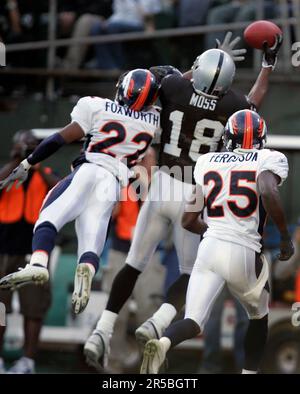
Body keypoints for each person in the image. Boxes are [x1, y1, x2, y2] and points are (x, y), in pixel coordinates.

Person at [82, 32, 282, 370]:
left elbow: (146, 84)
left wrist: (194, 69)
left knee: (134, 264)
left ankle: (102, 329)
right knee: (191, 273)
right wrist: (267, 64)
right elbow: (253, 105)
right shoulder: (232, 106)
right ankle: (158, 322)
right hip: (194, 192)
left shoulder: (174, 87)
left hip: (161, 184)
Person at [140, 109, 294, 374]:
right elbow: (268, 190)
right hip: (244, 249)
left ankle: (164, 342)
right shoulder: (269, 158)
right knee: (258, 317)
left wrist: (213, 232)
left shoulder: (208, 161)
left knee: (195, 320)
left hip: (209, 247)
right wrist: (284, 237)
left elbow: (189, 220)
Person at [0, 69, 161, 319]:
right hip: (114, 182)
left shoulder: (97, 106)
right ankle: (85, 267)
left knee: (49, 215)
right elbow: (172, 93)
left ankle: (38, 264)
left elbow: (60, 139)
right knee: (91, 237)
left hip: (89, 170)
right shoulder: (153, 121)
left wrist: (28, 163)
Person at [0, 130, 59, 374]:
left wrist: (35, 163)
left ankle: (28, 361)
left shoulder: (44, 173)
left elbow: (59, 191)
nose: (28, 151)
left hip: (34, 252)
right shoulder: (9, 169)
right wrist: (17, 161)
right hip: (3, 249)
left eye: (33, 147)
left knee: (34, 307)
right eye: (25, 147)